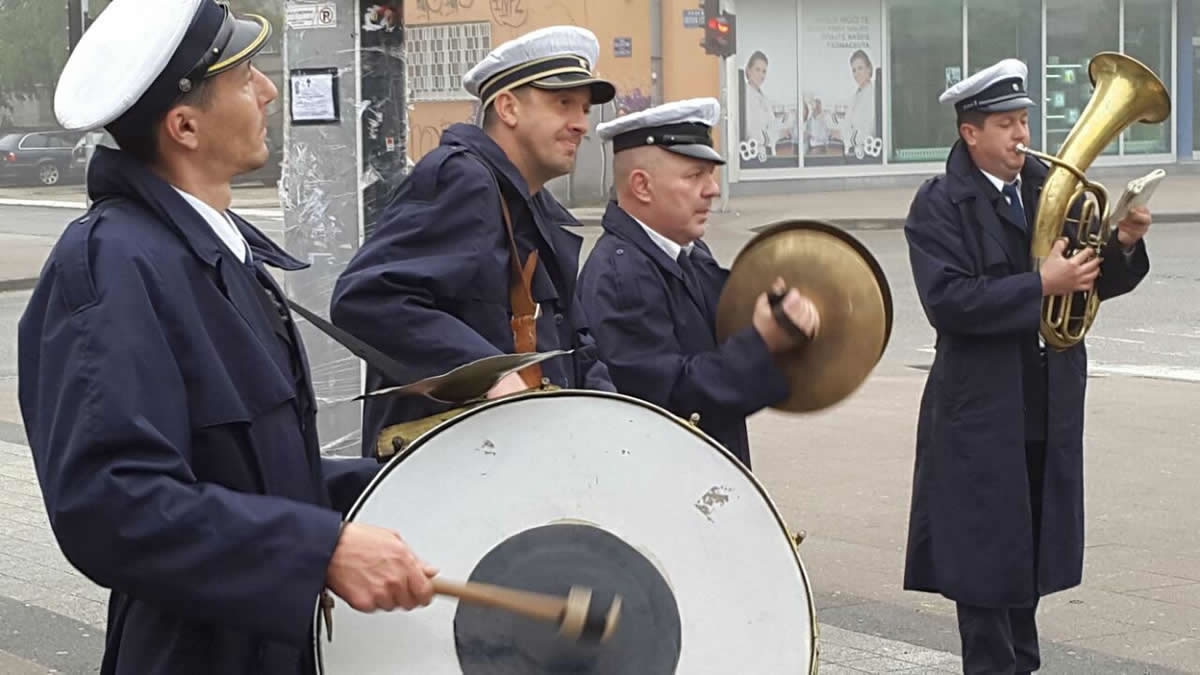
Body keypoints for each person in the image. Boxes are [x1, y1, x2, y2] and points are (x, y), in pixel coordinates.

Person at [17, 1, 437, 672]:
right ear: (185, 126)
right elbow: (111, 505)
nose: (268, 90)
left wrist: (417, 479)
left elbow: (248, 472)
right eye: (244, 78)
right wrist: (317, 549)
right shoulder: (110, 265)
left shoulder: (213, 251)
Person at [901, 58, 1152, 675]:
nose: (1022, 136)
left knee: (1028, 554)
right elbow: (948, 302)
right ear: (970, 133)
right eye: (1006, 124)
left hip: (1044, 402)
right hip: (980, 409)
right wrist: (1039, 283)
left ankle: (1023, 664)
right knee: (983, 565)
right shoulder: (939, 204)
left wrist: (1121, 243)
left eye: (1023, 121)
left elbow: (1088, 285)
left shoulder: (1047, 186)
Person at [330, 26, 617, 456]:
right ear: (508, 108)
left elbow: (573, 341)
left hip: (513, 459)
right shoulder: (464, 179)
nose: (581, 124)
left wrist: (613, 420)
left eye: (585, 109)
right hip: (451, 470)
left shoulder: (528, 201)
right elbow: (368, 298)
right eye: (563, 104)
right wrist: (486, 374)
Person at [574, 98, 821, 469]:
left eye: (711, 174)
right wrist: (762, 342)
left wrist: (782, 313)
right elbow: (670, 401)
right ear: (642, 186)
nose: (712, 189)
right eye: (694, 176)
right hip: (669, 485)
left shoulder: (686, 252)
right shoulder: (621, 276)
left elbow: (724, 330)